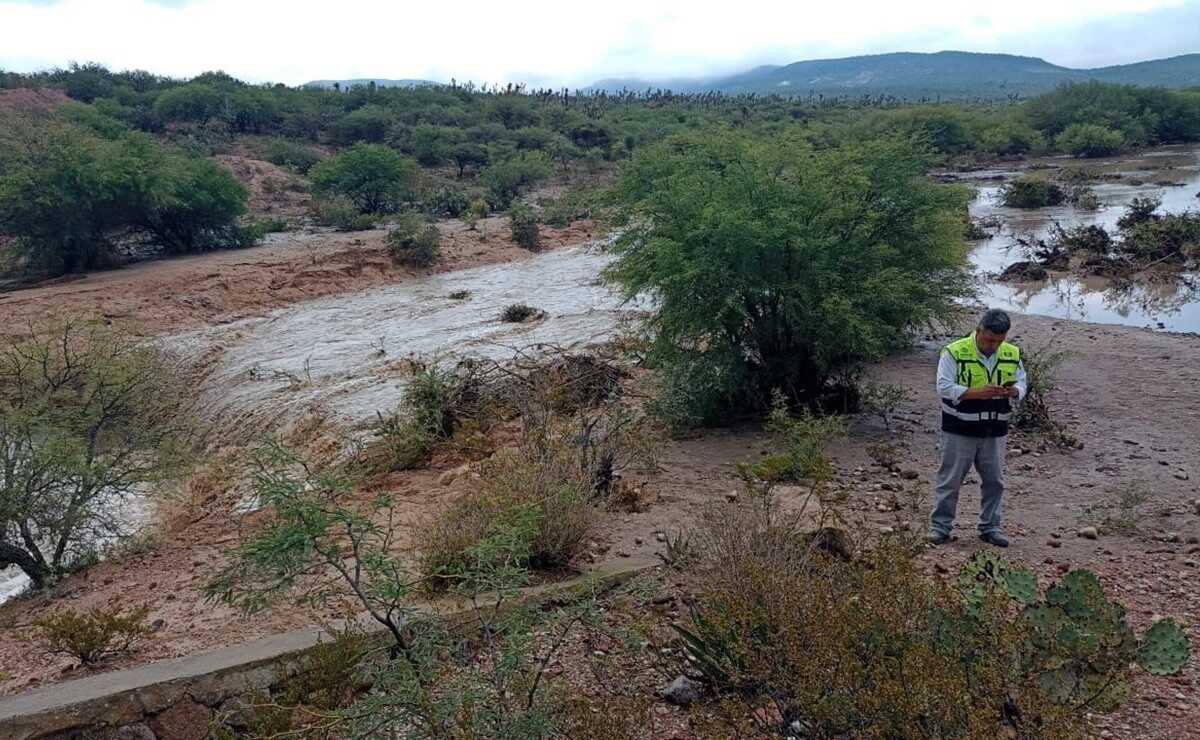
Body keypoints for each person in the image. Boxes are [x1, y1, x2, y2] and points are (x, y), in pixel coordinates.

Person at [930, 309, 1027, 547]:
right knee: (950, 480)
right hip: (959, 429)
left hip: (994, 430)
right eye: (989, 339)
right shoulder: (954, 352)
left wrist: (1015, 391)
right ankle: (940, 528)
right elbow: (944, 387)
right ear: (978, 331)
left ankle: (991, 527)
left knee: (995, 481)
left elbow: (1022, 381)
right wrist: (977, 393)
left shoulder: (1012, 353)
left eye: (998, 341)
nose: (993, 345)